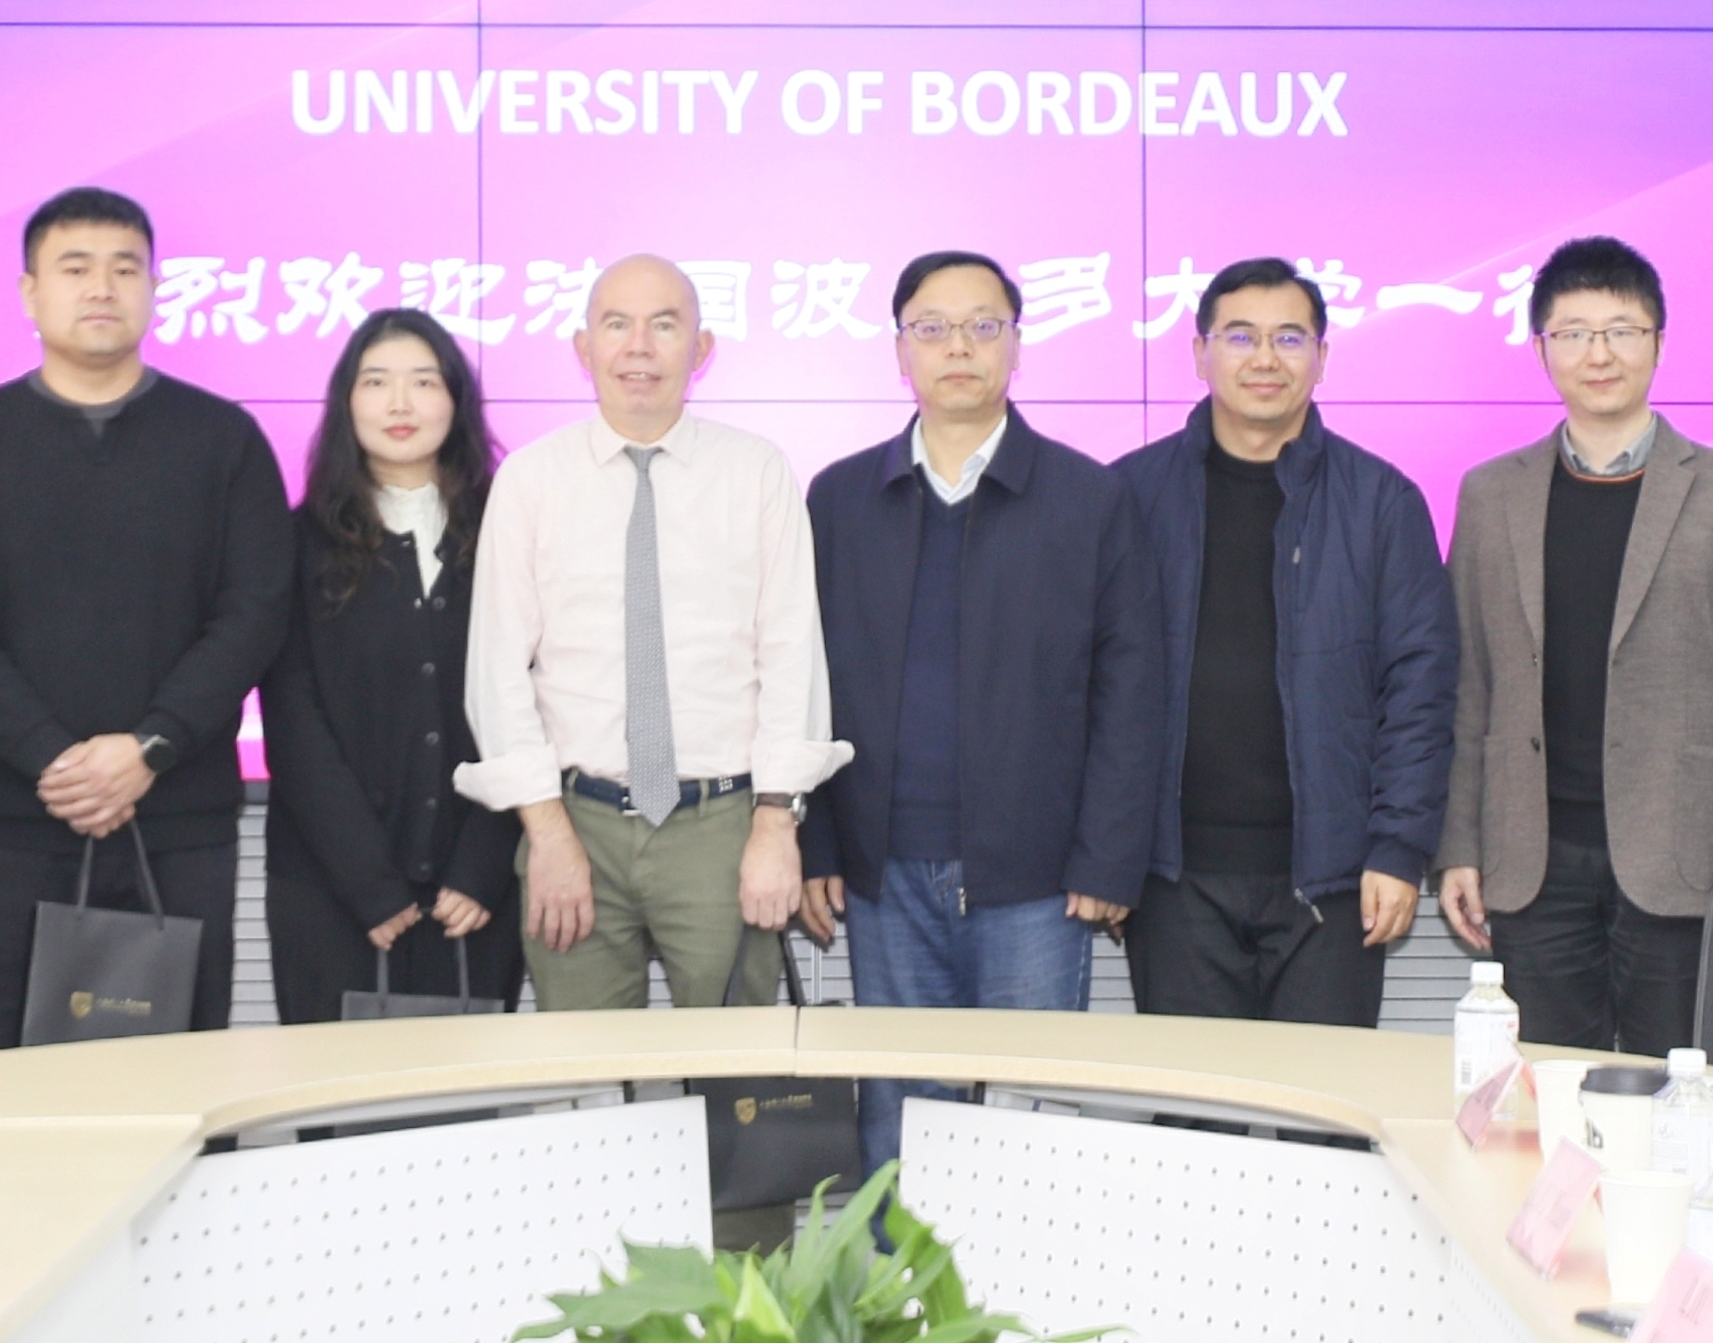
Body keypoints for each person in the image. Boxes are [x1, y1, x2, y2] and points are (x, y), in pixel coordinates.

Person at [0, 187, 295, 1052]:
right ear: (30, 292)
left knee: (176, 1079)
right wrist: (55, 758)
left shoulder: (223, 440)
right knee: (0, 1080)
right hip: (11, 826)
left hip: (179, 826)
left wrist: (150, 747)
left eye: (125, 268)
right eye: (75, 268)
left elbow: (255, 613)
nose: (102, 287)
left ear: (154, 288)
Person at [797, 251, 1165, 1174]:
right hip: (882, 872)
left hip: (1037, 875)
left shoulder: (1090, 498)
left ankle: (1020, 1276)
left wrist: (1108, 857)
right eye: (932, 328)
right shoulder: (840, 498)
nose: (957, 346)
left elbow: (1131, 692)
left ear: (1015, 344)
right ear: (900, 351)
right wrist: (818, 846)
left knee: (1026, 1114)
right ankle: (900, 1273)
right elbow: (805, 681)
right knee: (899, 1112)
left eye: (982, 326)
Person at [1434, 236, 1713, 1054]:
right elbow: (1470, 687)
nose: (1597, 354)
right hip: (1531, 861)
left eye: (1621, 331)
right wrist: (1459, 844)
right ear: (1541, 349)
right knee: (1546, 1091)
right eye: (1573, 333)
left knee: (1680, 1093)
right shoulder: (1490, 494)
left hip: (1686, 862)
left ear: (1659, 343)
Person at [460, 255, 848, 1011]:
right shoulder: (532, 480)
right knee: (585, 1068)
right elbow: (497, 671)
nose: (639, 346)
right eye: (617, 324)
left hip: (722, 828)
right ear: (584, 349)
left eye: (664, 326)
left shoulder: (756, 472)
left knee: (735, 1067)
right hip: (576, 823)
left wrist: (776, 826)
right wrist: (547, 833)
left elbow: (792, 657)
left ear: (700, 350)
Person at [1114, 257, 1457, 1031]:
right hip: (1173, 881)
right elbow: (1093, 689)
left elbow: (1421, 689)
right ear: (1200, 354)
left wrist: (1398, 849)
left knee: (1323, 1103)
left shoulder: (1382, 501)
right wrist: (1107, 855)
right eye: (1240, 337)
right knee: (1191, 1103)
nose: (1264, 358)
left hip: (1333, 880)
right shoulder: (1129, 496)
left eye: (1289, 338)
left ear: (1322, 357)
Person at [263, 310, 523, 1022]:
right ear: (346, 402)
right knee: (336, 1088)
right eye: (376, 382)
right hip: (330, 889)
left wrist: (485, 864)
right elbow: (292, 716)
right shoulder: (294, 541)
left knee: (469, 1090)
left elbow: (544, 697)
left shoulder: (512, 529)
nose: (400, 404)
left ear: (457, 400)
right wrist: (367, 882)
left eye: (423, 382)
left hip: (476, 895)